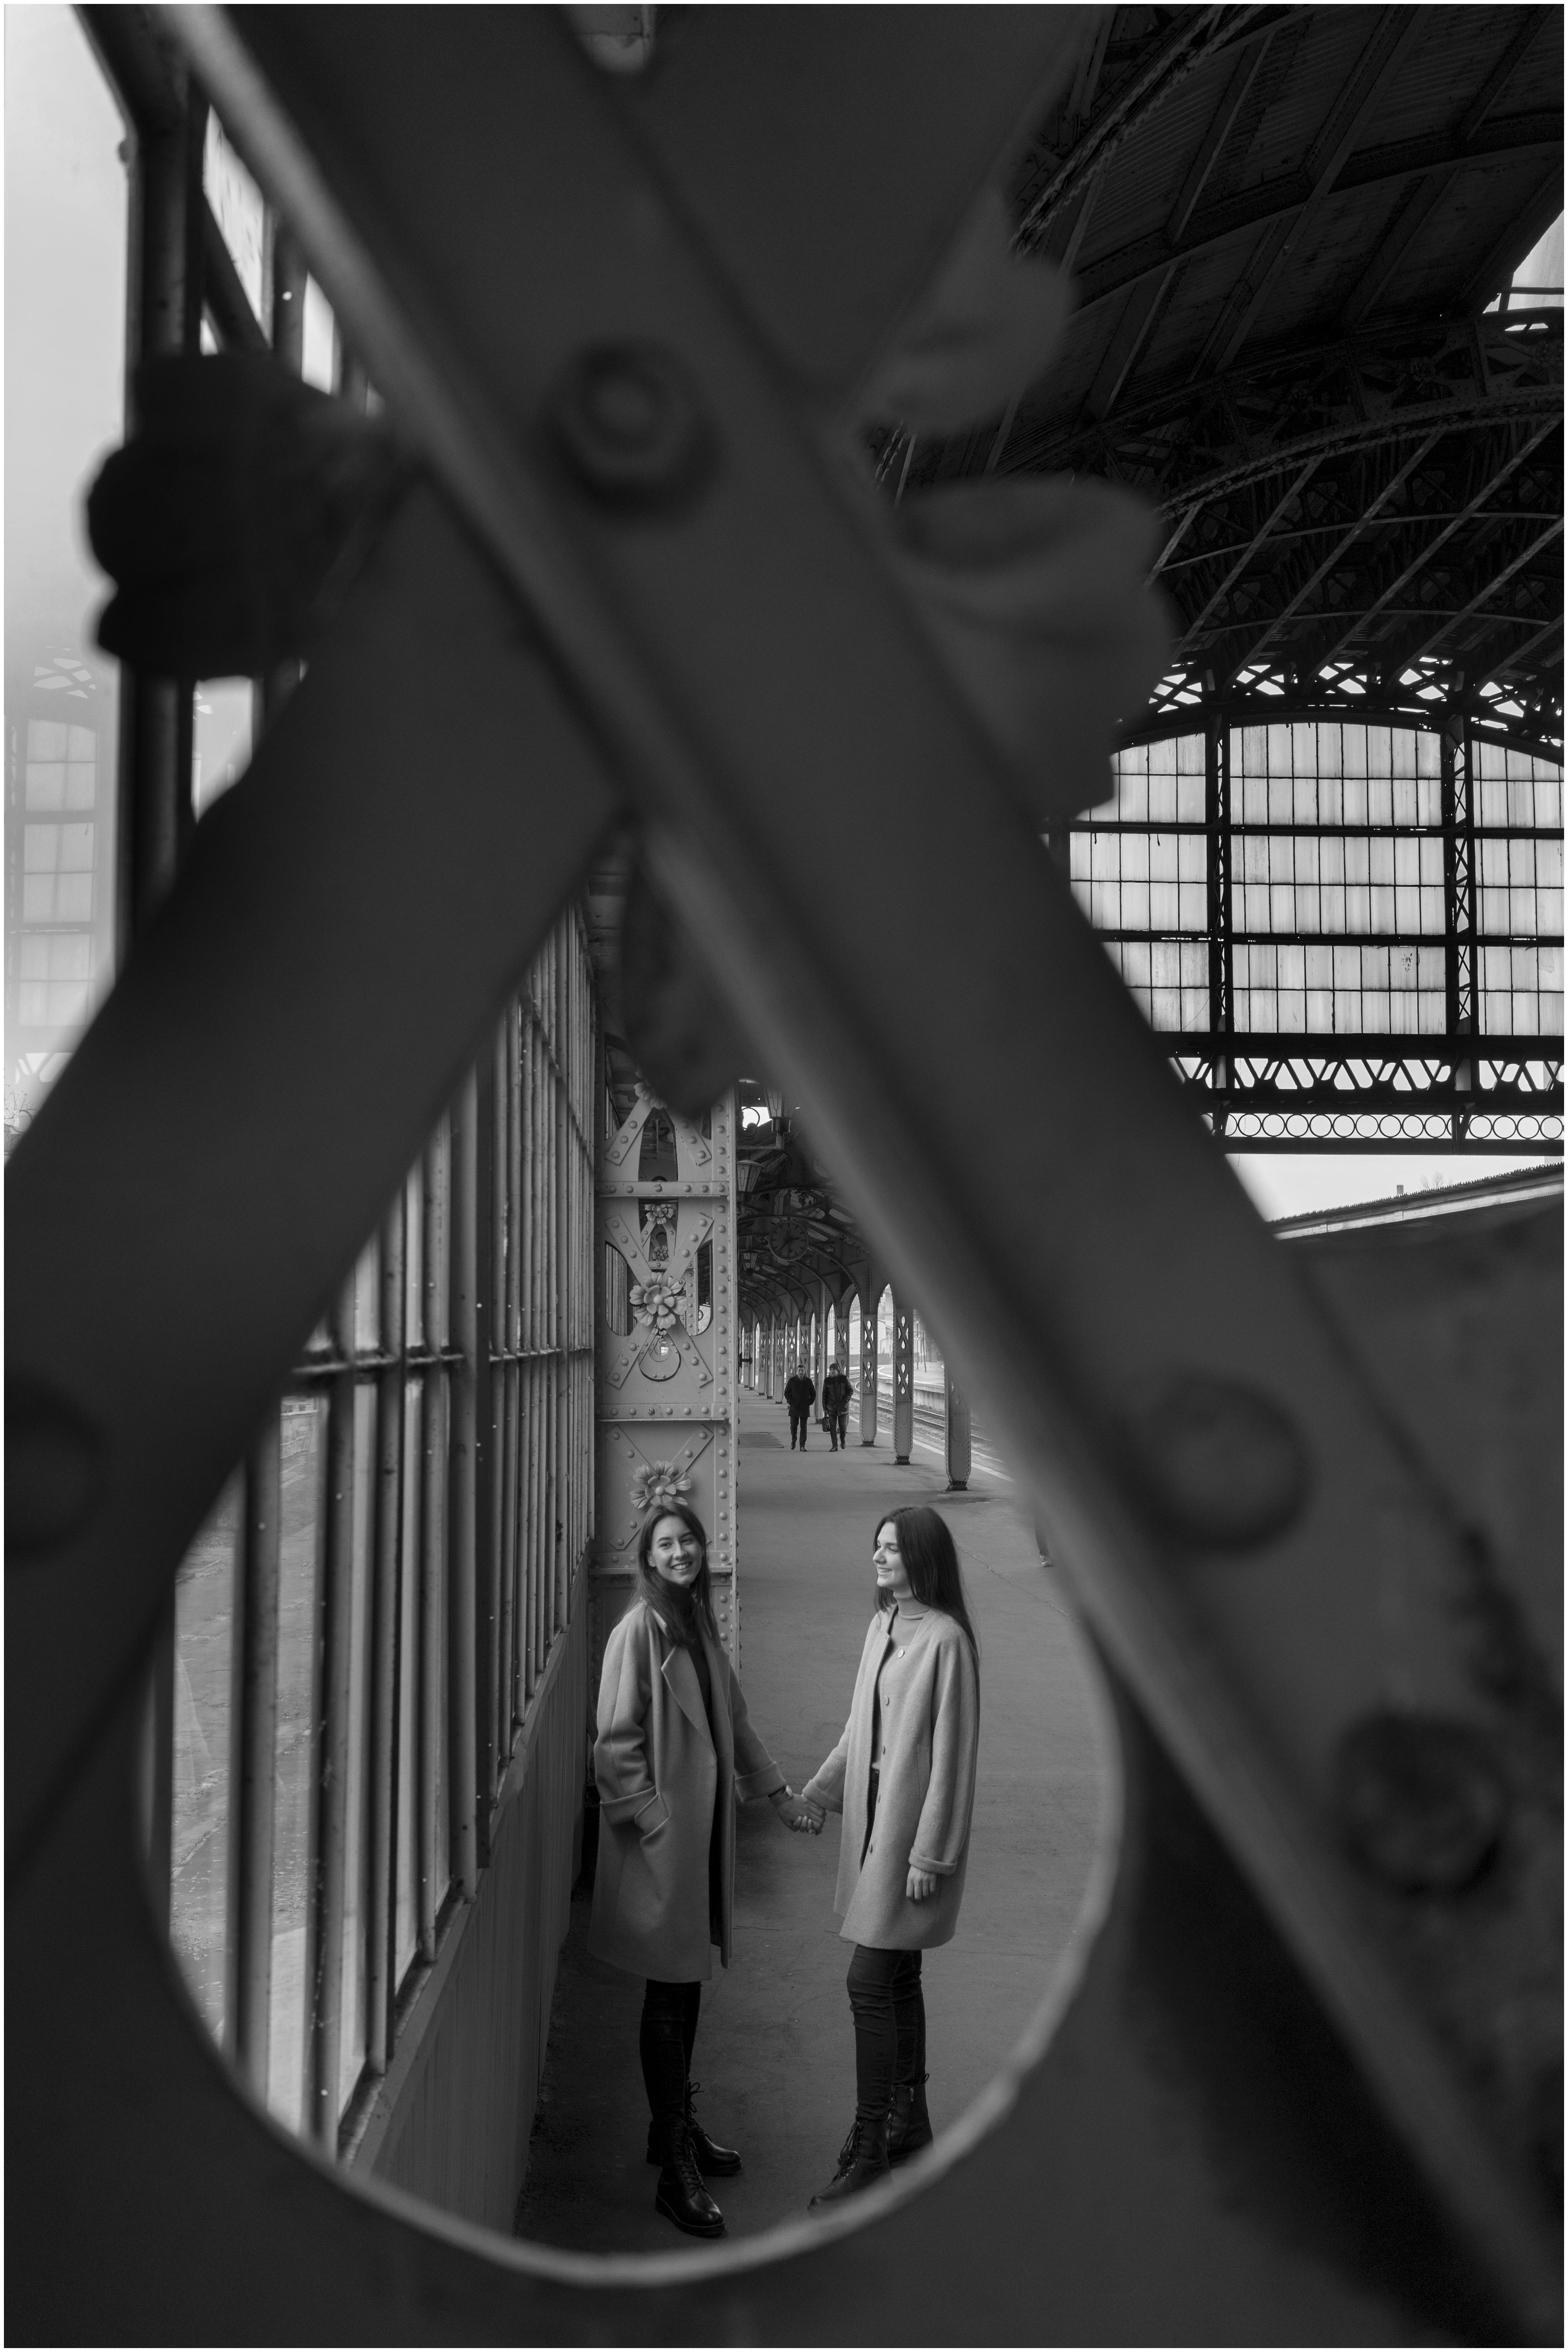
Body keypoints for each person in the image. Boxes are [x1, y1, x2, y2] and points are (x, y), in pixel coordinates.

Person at [590, 1502, 821, 2238]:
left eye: (689, 1538)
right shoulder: (639, 1630)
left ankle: (673, 2130)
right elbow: (613, 1744)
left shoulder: (694, 1621)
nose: (682, 1550)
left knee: (685, 1985)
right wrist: (656, 1824)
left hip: (700, 1836)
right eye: (667, 1544)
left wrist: (778, 1795)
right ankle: (673, 2167)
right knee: (667, 1992)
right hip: (668, 1843)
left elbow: (738, 1719)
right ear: (649, 1559)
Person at [798, 1505, 980, 2207]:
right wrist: (819, 1792)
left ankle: (870, 2142)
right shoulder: (883, 1625)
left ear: (923, 1558)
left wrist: (931, 1856)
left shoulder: (946, 1641)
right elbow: (859, 1728)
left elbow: (953, 1761)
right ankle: (912, 2122)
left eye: (892, 1549)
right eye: (875, 1546)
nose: (877, 1558)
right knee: (899, 1978)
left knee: (867, 1982)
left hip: (908, 1834)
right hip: (871, 1821)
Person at [821, 1359, 854, 1450]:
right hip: (831, 1408)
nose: (832, 1371)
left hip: (843, 1408)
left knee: (843, 1428)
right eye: (831, 1370)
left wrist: (845, 1401)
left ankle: (843, 1440)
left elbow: (851, 1391)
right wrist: (825, 1408)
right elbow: (824, 1395)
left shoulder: (844, 1379)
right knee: (833, 1427)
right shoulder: (827, 1381)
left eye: (833, 1370)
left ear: (838, 1371)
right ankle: (835, 1446)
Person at [784, 1361, 817, 1450]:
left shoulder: (809, 1382)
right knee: (794, 1426)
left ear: (805, 1371)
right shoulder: (792, 1381)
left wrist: (810, 1402)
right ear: (797, 1371)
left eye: (802, 1371)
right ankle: (794, 1440)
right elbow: (787, 1392)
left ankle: (802, 1445)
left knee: (804, 1427)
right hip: (794, 1407)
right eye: (799, 1371)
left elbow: (813, 1394)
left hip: (805, 1408)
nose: (801, 1372)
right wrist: (790, 1401)